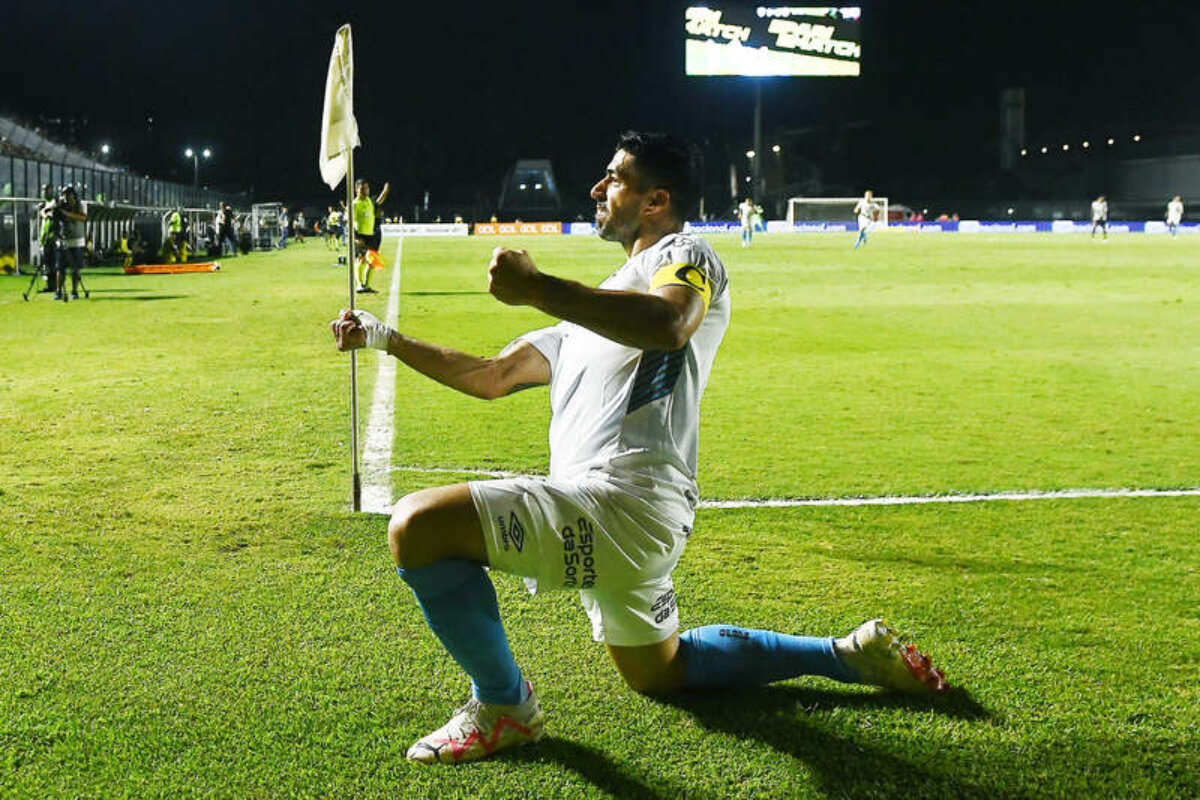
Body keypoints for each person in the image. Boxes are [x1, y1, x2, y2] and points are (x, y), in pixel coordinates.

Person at [328, 131, 948, 766]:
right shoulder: (596, 310)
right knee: (658, 671)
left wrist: (539, 287)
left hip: (624, 501)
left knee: (419, 526)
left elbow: (671, 324)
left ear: (656, 200)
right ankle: (846, 654)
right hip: (620, 514)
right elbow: (492, 375)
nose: (598, 189)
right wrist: (386, 339)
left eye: (614, 178)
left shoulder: (687, 253)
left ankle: (505, 706)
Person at [352, 179, 390, 293]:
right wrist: (355, 237)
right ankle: (359, 285)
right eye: (362, 189)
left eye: (366, 188)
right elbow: (349, 221)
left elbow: (379, 201)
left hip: (371, 236)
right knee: (361, 259)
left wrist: (385, 190)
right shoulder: (354, 204)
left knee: (372, 262)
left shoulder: (369, 201)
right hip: (360, 236)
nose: (365, 191)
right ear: (356, 190)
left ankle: (366, 285)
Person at [55, 186, 87, 301]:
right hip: (62, 241)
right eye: (64, 195)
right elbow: (52, 214)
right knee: (60, 268)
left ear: (73, 195)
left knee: (76, 268)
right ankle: (58, 291)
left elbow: (83, 217)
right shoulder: (61, 206)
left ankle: (75, 291)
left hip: (77, 241)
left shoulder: (81, 204)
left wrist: (67, 213)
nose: (66, 197)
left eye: (68, 194)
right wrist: (57, 207)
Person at [36, 184, 60, 294]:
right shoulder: (44, 204)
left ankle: (55, 285)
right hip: (44, 237)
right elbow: (43, 214)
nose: (45, 193)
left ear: (52, 191)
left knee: (53, 262)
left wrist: (45, 212)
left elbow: (52, 213)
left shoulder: (55, 202)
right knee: (46, 263)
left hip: (52, 238)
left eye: (47, 191)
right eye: (43, 191)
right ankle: (49, 285)